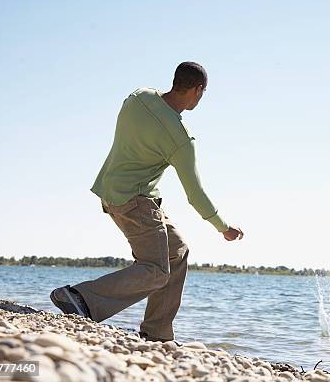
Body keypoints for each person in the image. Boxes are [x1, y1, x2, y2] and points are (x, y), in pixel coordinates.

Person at [50, 61, 244, 342]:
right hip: (136, 202)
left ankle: (157, 332)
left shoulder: (138, 97)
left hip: (111, 192)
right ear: (198, 90)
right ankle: (80, 298)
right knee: (155, 270)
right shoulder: (180, 139)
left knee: (177, 252)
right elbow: (195, 194)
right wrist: (222, 227)